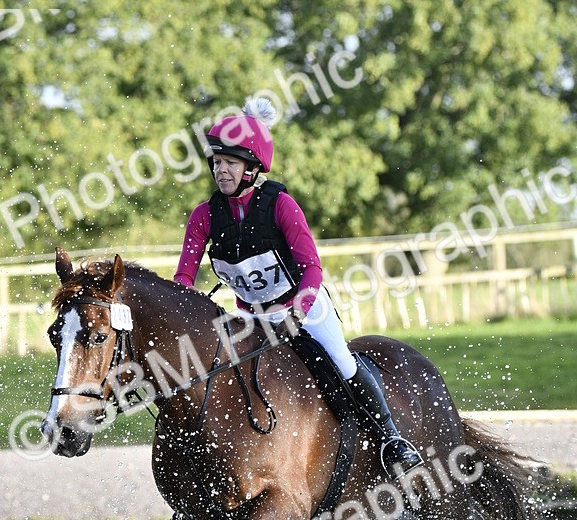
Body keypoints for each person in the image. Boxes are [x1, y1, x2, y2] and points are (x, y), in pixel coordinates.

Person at [174, 98, 423, 477]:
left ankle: (391, 440)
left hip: (303, 309)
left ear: (252, 168)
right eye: (217, 162)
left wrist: (297, 313)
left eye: (230, 163)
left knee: (341, 361)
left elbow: (311, 268)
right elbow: (183, 281)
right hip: (250, 319)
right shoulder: (204, 216)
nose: (220, 170)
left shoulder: (281, 206)